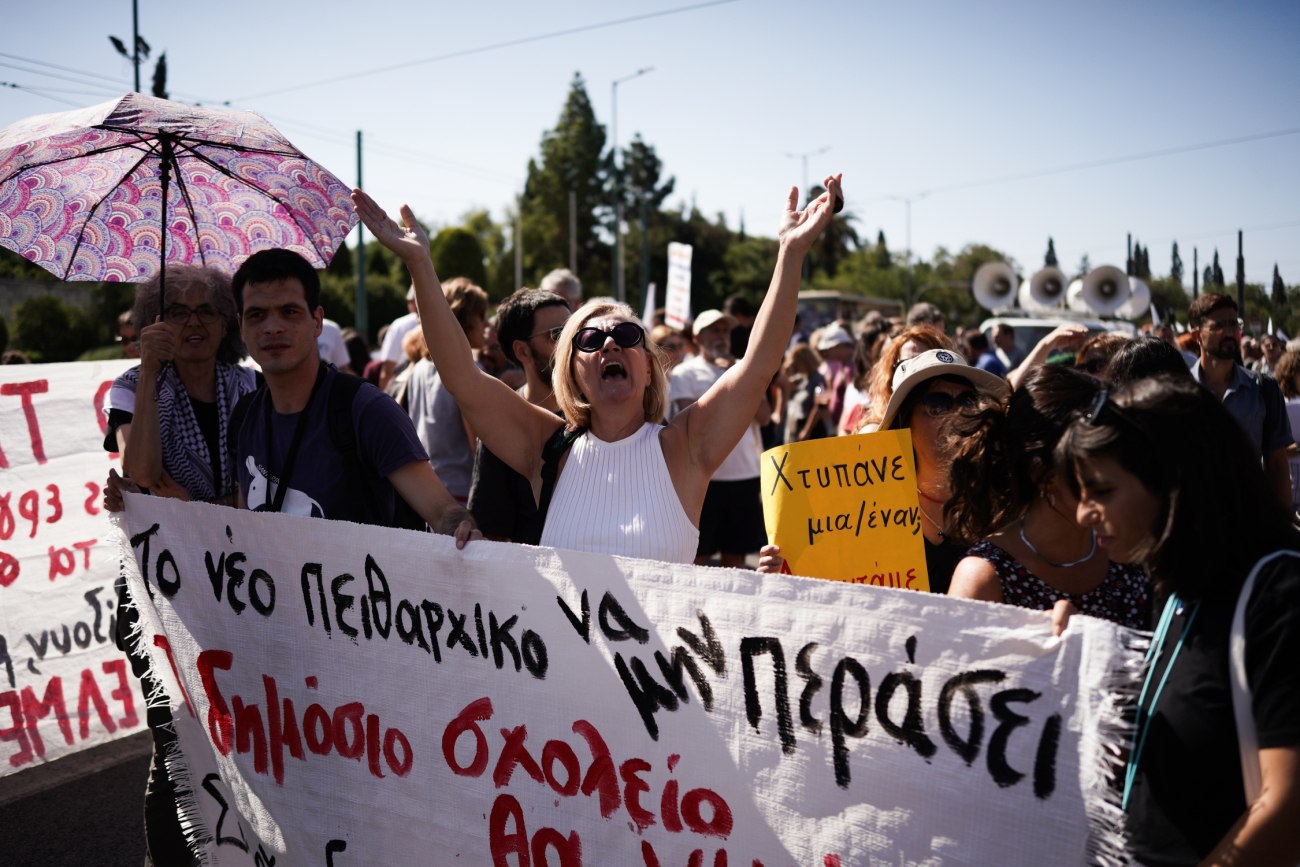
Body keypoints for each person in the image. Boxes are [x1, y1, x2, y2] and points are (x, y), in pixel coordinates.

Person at [353, 175, 843, 563]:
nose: (610, 342)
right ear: (572, 373)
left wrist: (791, 253)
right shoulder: (545, 449)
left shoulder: (686, 447)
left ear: (647, 369)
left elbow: (757, 365)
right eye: (590, 340)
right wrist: (421, 266)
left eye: (627, 335)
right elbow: (461, 376)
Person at [1058, 376, 1300, 866]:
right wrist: (1067, 657)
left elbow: (1288, 810)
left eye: (1102, 490)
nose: (1083, 514)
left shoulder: (1279, 595)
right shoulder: (1179, 589)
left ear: (1174, 482)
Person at [101, 263, 256, 867]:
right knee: (177, 747)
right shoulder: (128, 388)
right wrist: (149, 373)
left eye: (206, 311)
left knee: (242, 740)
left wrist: (190, 507)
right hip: (159, 596)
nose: (193, 323)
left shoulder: (252, 388)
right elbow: (139, 476)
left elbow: (258, 495)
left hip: (237, 593)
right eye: (177, 312)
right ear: (153, 321)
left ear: (226, 323)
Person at [228, 247, 477, 539]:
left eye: (289, 312)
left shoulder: (367, 410)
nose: (272, 327)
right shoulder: (244, 416)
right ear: (241, 327)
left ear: (317, 321)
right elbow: (245, 524)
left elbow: (442, 512)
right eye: (257, 315)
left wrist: (463, 532)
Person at [945, 365, 1149, 628]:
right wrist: (1038, 642)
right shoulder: (983, 577)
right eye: (1097, 466)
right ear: (1045, 477)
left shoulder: (1128, 549)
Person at [467, 288, 571, 543]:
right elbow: (492, 532)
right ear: (522, 351)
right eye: (558, 335)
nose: (572, 344)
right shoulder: (503, 423)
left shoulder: (603, 409)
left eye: (575, 331)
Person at [671, 307, 769, 566]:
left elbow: (765, 416)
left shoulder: (744, 369)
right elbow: (692, 425)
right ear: (697, 337)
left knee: (736, 556)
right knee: (696, 555)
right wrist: (729, 382)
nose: (721, 336)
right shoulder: (685, 373)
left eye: (725, 331)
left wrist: (739, 375)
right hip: (705, 478)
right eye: (714, 330)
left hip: (744, 475)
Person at [1189, 292, 1293, 507]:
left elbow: (1277, 465)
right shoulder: (1178, 390)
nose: (1229, 332)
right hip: (1196, 517)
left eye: (1234, 324)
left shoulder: (1264, 389)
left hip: (1251, 516)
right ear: (1197, 335)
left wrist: (1284, 520)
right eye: (1218, 326)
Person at [404, 276, 489, 501]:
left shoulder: (418, 367)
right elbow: (479, 446)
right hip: (462, 492)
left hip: (427, 490)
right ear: (463, 320)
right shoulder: (468, 370)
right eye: (481, 316)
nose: (486, 324)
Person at [782, 342, 829, 442]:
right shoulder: (803, 379)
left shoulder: (818, 380)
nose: (795, 367)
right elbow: (786, 384)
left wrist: (806, 430)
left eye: (796, 363)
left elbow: (819, 406)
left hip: (813, 431)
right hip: (800, 426)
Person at [377, 285, 421, 388]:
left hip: (402, 387)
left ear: (411, 303)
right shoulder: (444, 323)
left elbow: (387, 372)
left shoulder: (399, 325)